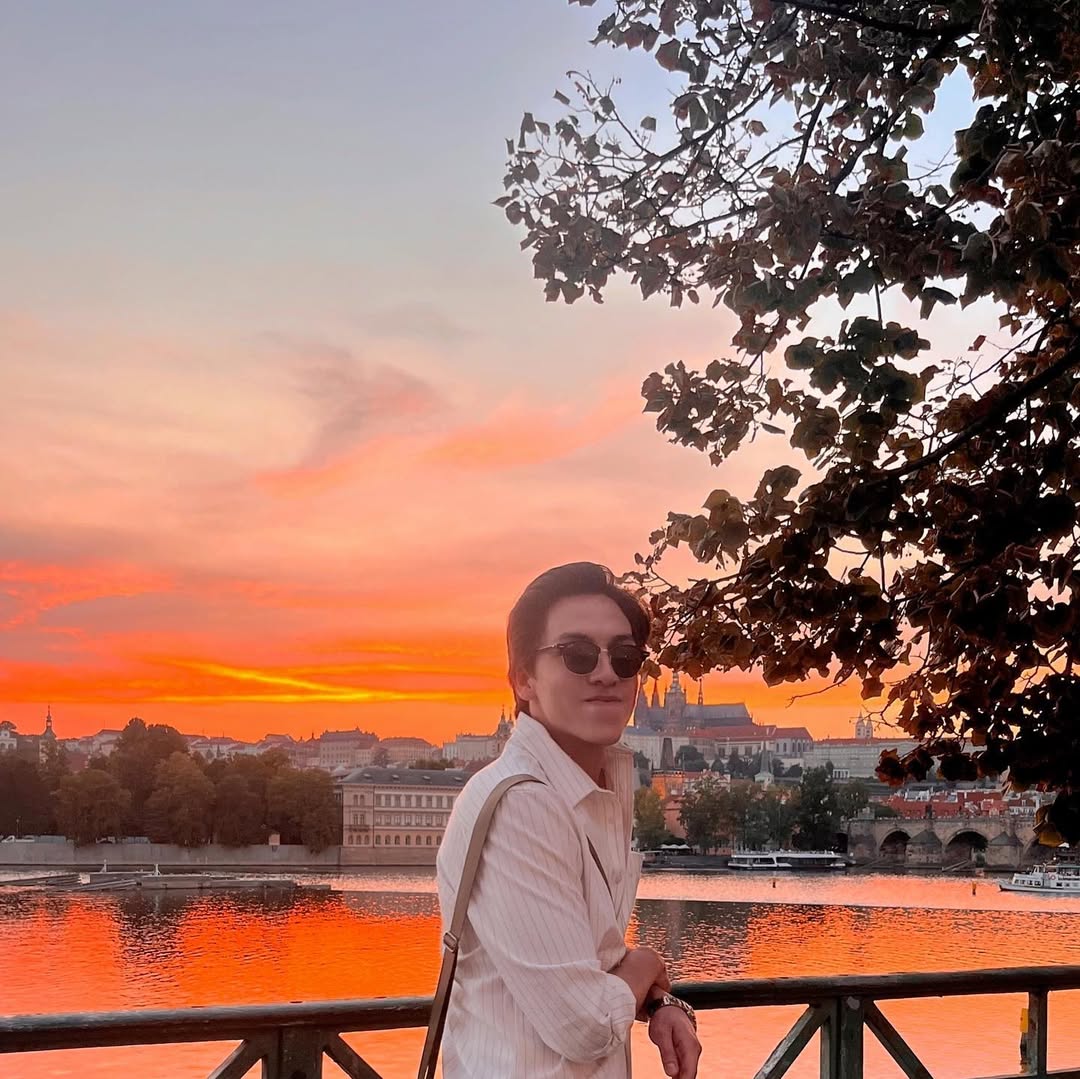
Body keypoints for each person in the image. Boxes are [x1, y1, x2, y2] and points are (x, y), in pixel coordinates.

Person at [436, 562, 702, 1078]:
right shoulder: (522, 804)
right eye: (577, 654)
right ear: (524, 679)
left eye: (624, 658)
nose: (605, 673)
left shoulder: (587, 792)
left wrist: (658, 1001)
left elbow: (587, 960)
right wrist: (648, 962)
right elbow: (583, 1024)